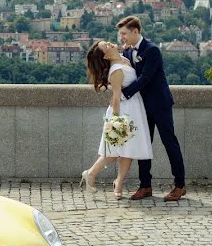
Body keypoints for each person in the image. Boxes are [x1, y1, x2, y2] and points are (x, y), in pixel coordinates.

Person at [116, 15, 187, 201]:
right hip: (141, 107)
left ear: (135, 31)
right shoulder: (128, 52)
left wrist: (124, 94)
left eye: (124, 34)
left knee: (169, 143)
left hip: (160, 104)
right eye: (120, 34)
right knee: (143, 145)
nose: (122, 37)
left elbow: (145, 79)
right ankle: (145, 186)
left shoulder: (152, 50)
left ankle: (180, 185)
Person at [80, 40, 153, 199]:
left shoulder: (122, 60)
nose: (111, 44)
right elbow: (116, 97)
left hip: (133, 109)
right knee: (114, 151)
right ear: (105, 56)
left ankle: (119, 182)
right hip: (124, 111)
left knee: (128, 151)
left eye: (107, 43)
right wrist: (116, 120)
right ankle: (91, 173)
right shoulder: (116, 70)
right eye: (107, 46)